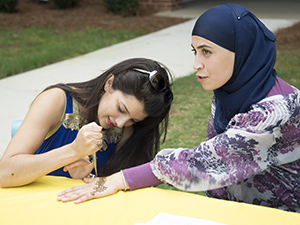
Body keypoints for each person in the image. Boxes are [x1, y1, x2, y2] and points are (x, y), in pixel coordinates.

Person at [57, 3, 300, 212]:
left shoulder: (275, 112)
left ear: (242, 51)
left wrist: (118, 180)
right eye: (195, 52)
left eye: (207, 52)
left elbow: (205, 162)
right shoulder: (232, 92)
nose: (196, 64)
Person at [0, 58, 173, 188]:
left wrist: (86, 178)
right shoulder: (56, 101)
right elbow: (5, 173)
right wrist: (73, 151)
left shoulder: (127, 128)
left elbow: (121, 187)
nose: (121, 124)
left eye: (133, 120)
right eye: (121, 108)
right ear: (109, 83)